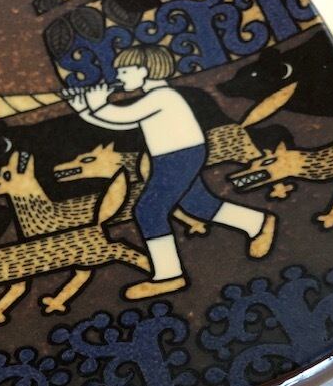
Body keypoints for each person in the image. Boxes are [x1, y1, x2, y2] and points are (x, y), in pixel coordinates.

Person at [64, 44, 276, 301]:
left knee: (148, 210)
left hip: (179, 156)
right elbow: (122, 124)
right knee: (199, 205)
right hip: (173, 157)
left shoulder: (162, 97)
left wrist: (97, 104)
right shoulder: (154, 98)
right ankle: (257, 223)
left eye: (124, 71)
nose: (118, 77)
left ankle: (169, 275)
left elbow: (123, 116)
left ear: (146, 70)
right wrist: (85, 110)